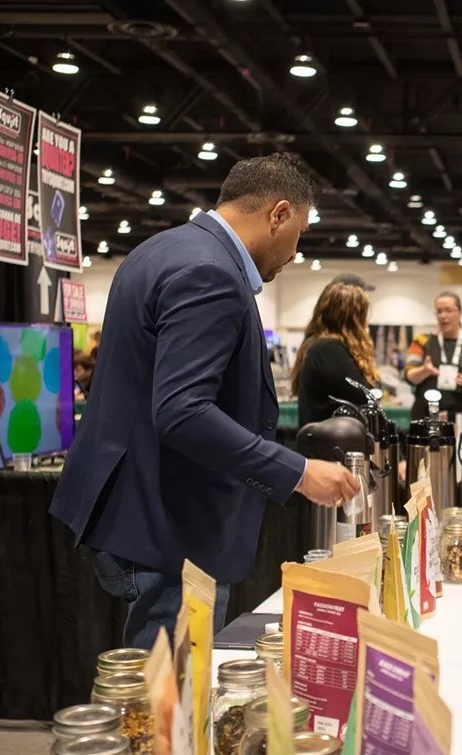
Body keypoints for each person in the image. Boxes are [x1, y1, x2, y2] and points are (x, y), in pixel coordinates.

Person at [51, 153, 360, 649]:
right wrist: (299, 472)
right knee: (169, 706)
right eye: (299, 233)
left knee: (166, 695)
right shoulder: (209, 271)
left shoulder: (162, 250)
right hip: (166, 521)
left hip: (140, 508)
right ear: (278, 214)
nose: (295, 252)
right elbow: (183, 411)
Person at [292, 274, 380, 425]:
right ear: (351, 315)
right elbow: (367, 395)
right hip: (333, 444)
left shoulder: (320, 347)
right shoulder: (328, 350)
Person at [405, 291, 462, 419]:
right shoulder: (421, 340)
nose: (443, 316)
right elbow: (409, 376)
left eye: (448, 310)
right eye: (439, 311)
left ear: (460, 312)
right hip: (426, 414)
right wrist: (424, 370)